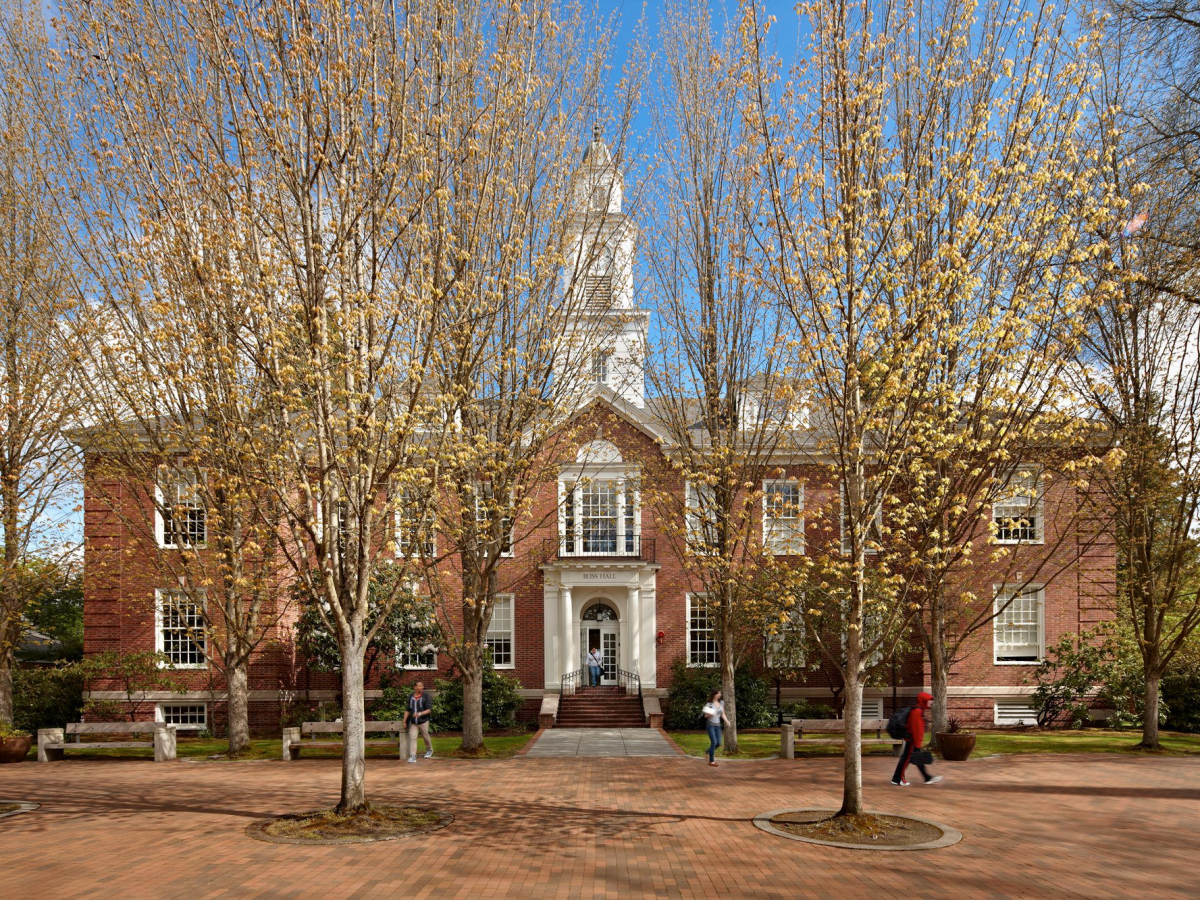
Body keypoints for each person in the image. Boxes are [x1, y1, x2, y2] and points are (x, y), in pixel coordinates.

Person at [891, 691, 943, 786]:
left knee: (917, 758)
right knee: (906, 759)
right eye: (929, 700)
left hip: (913, 740)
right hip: (912, 740)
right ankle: (898, 779)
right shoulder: (917, 711)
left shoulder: (919, 710)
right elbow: (916, 729)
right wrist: (918, 743)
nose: (931, 702)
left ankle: (927, 777)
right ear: (923, 700)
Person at [404, 681, 433, 763]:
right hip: (413, 722)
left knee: (425, 736)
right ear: (415, 687)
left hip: (423, 721)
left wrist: (420, 713)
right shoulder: (411, 697)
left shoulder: (426, 696)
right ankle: (413, 756)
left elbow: (429, 710)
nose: (421, 687)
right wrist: (404, 721)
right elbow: (407, 710)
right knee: (413, 737)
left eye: (422, 686)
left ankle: (429, 749)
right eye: (419, 686)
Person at [702, 689, 731, 767]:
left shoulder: (721, 703)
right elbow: (705, 716)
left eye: (720, 693)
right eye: (718, 693)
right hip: (710, 725)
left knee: (718, 743)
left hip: (717, 726)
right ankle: (711, 761)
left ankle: (708, 752)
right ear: (714, 695)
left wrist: (727, 721)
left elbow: (723, 714)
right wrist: (711, 714)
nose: (720, 694)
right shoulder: (709, 704)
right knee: (714, 742)